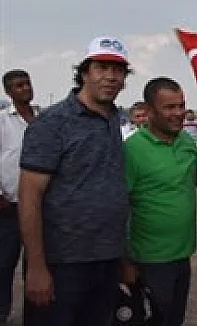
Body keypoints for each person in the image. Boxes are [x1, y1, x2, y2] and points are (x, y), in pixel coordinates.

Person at [19, 37, 132, 326]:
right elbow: (30, 195)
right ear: (84, 73)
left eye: (118, 70)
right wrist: (36, 267)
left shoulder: (114, 119)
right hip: (62, 263)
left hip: (106, 260)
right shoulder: (53, 123)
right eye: (101, 68)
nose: (110, 77)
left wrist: (122, 257)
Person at [120, 77, 197, 326]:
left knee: (174, 319)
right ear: (149, 111)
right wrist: (125, 263)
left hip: (182, 255)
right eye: (169, 107)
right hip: (149, 260)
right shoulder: (131, 150)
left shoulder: (186, 142)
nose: (178, 113)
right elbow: (118, 208)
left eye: (181, 105)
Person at [0, 70, 36, 325]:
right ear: (8, 92)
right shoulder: (2, 122)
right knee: (3, 264)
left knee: (36, 265)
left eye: (27, 83)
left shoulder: (43, 121)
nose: (25, 89)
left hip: (40, 207)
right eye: (18, 86)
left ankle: (35, 316)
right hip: (8, 207)